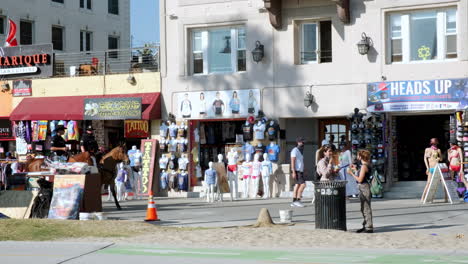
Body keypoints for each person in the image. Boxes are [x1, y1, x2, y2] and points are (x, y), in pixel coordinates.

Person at [349, 149, 374, 233]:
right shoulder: (365, 165)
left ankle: (369, 227)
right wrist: (355, 170)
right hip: (363, 187)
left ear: (361, 156)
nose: (357, 157)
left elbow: (360, 179)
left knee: (366, 208)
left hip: (364, 187)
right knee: (363, 208)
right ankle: (365, 225)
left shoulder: (364, 166)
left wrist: (351, 173)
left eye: (358, 155)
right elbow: (361, 176)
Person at [290, 137, 306, 207]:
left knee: (297, 185)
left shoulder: (300, 151)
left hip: (300, 170)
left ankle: (294, 201)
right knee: (303, 185)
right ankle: (298, 200)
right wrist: (293, 171)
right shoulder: (295, 150)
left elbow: (300, 162)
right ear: (298, 142)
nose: (303, 143)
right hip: (297, 171)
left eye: (303, 142)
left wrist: (304, 169)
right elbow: (292, 161)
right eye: (302, 142)